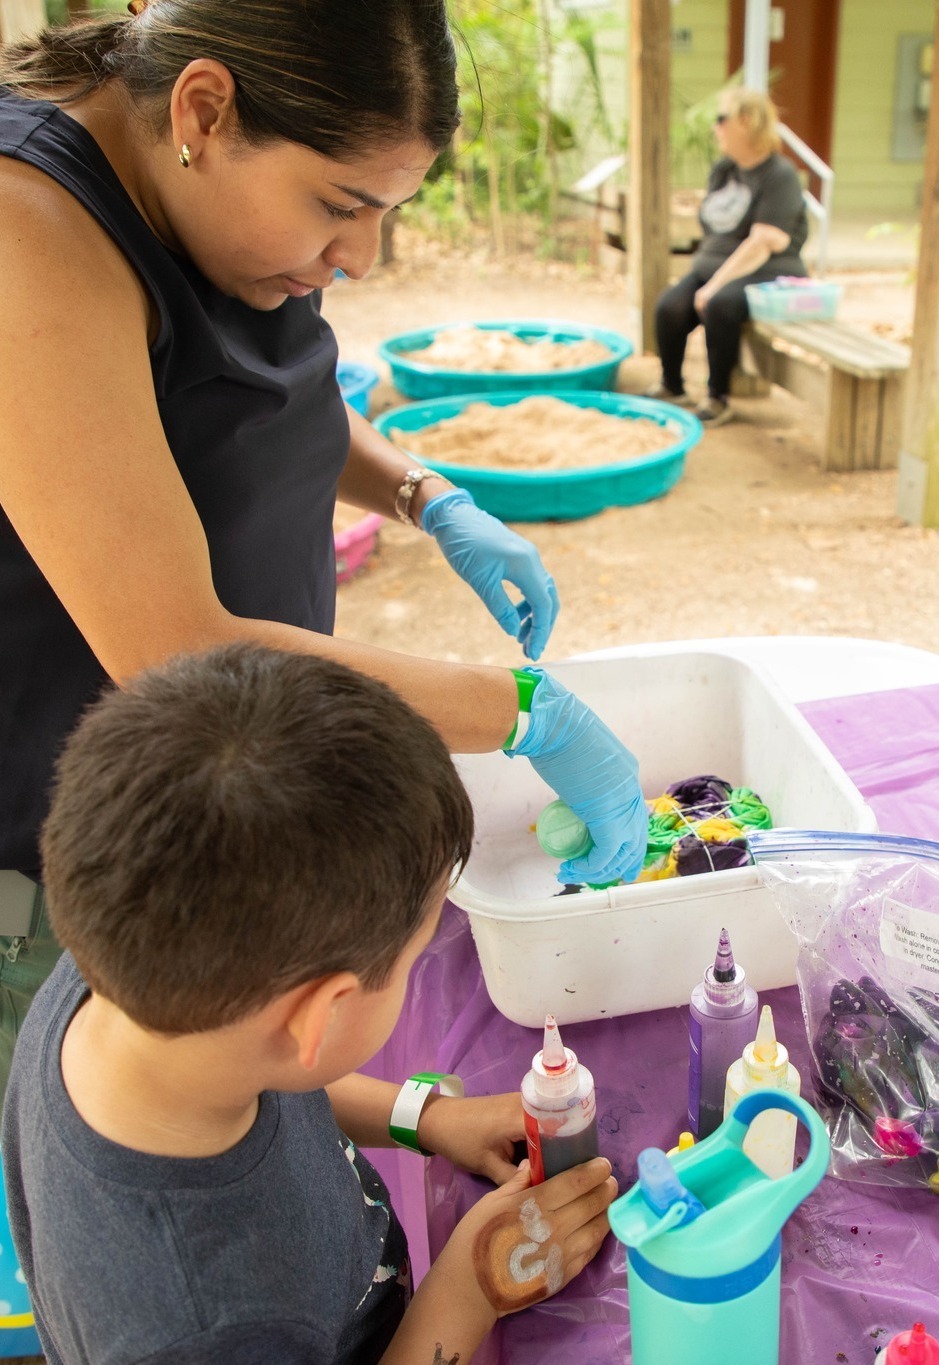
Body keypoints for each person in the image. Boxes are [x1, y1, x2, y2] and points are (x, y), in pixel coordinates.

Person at [0, 0, 648, 1095]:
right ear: (206, 108)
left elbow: (252, 397)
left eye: (388, 210)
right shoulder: (30, 236)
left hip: (227, 796)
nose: (361, 255)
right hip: (75, 867)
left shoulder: (198, 182)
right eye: (342, 206)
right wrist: (522, 708)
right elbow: (173, 648)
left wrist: (423, 491)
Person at [2, 642, 618, 1364]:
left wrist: (425, 1117)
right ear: (318, 1014)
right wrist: (470, 1287)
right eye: (412, 958)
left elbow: (275, 1072)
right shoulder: (208, 1329)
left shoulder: (126, 958)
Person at [649, 88, 809, 427]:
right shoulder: (724, 169)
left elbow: (766, 241)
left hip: (766, 272)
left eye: (721, 119)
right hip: (717, 268)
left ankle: (718, 396)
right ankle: (672, 385)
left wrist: (712, 286)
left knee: (719, 305)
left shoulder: (779, 175)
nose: (715, 128)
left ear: (746, 121)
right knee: (670, 307)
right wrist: (705, 275)